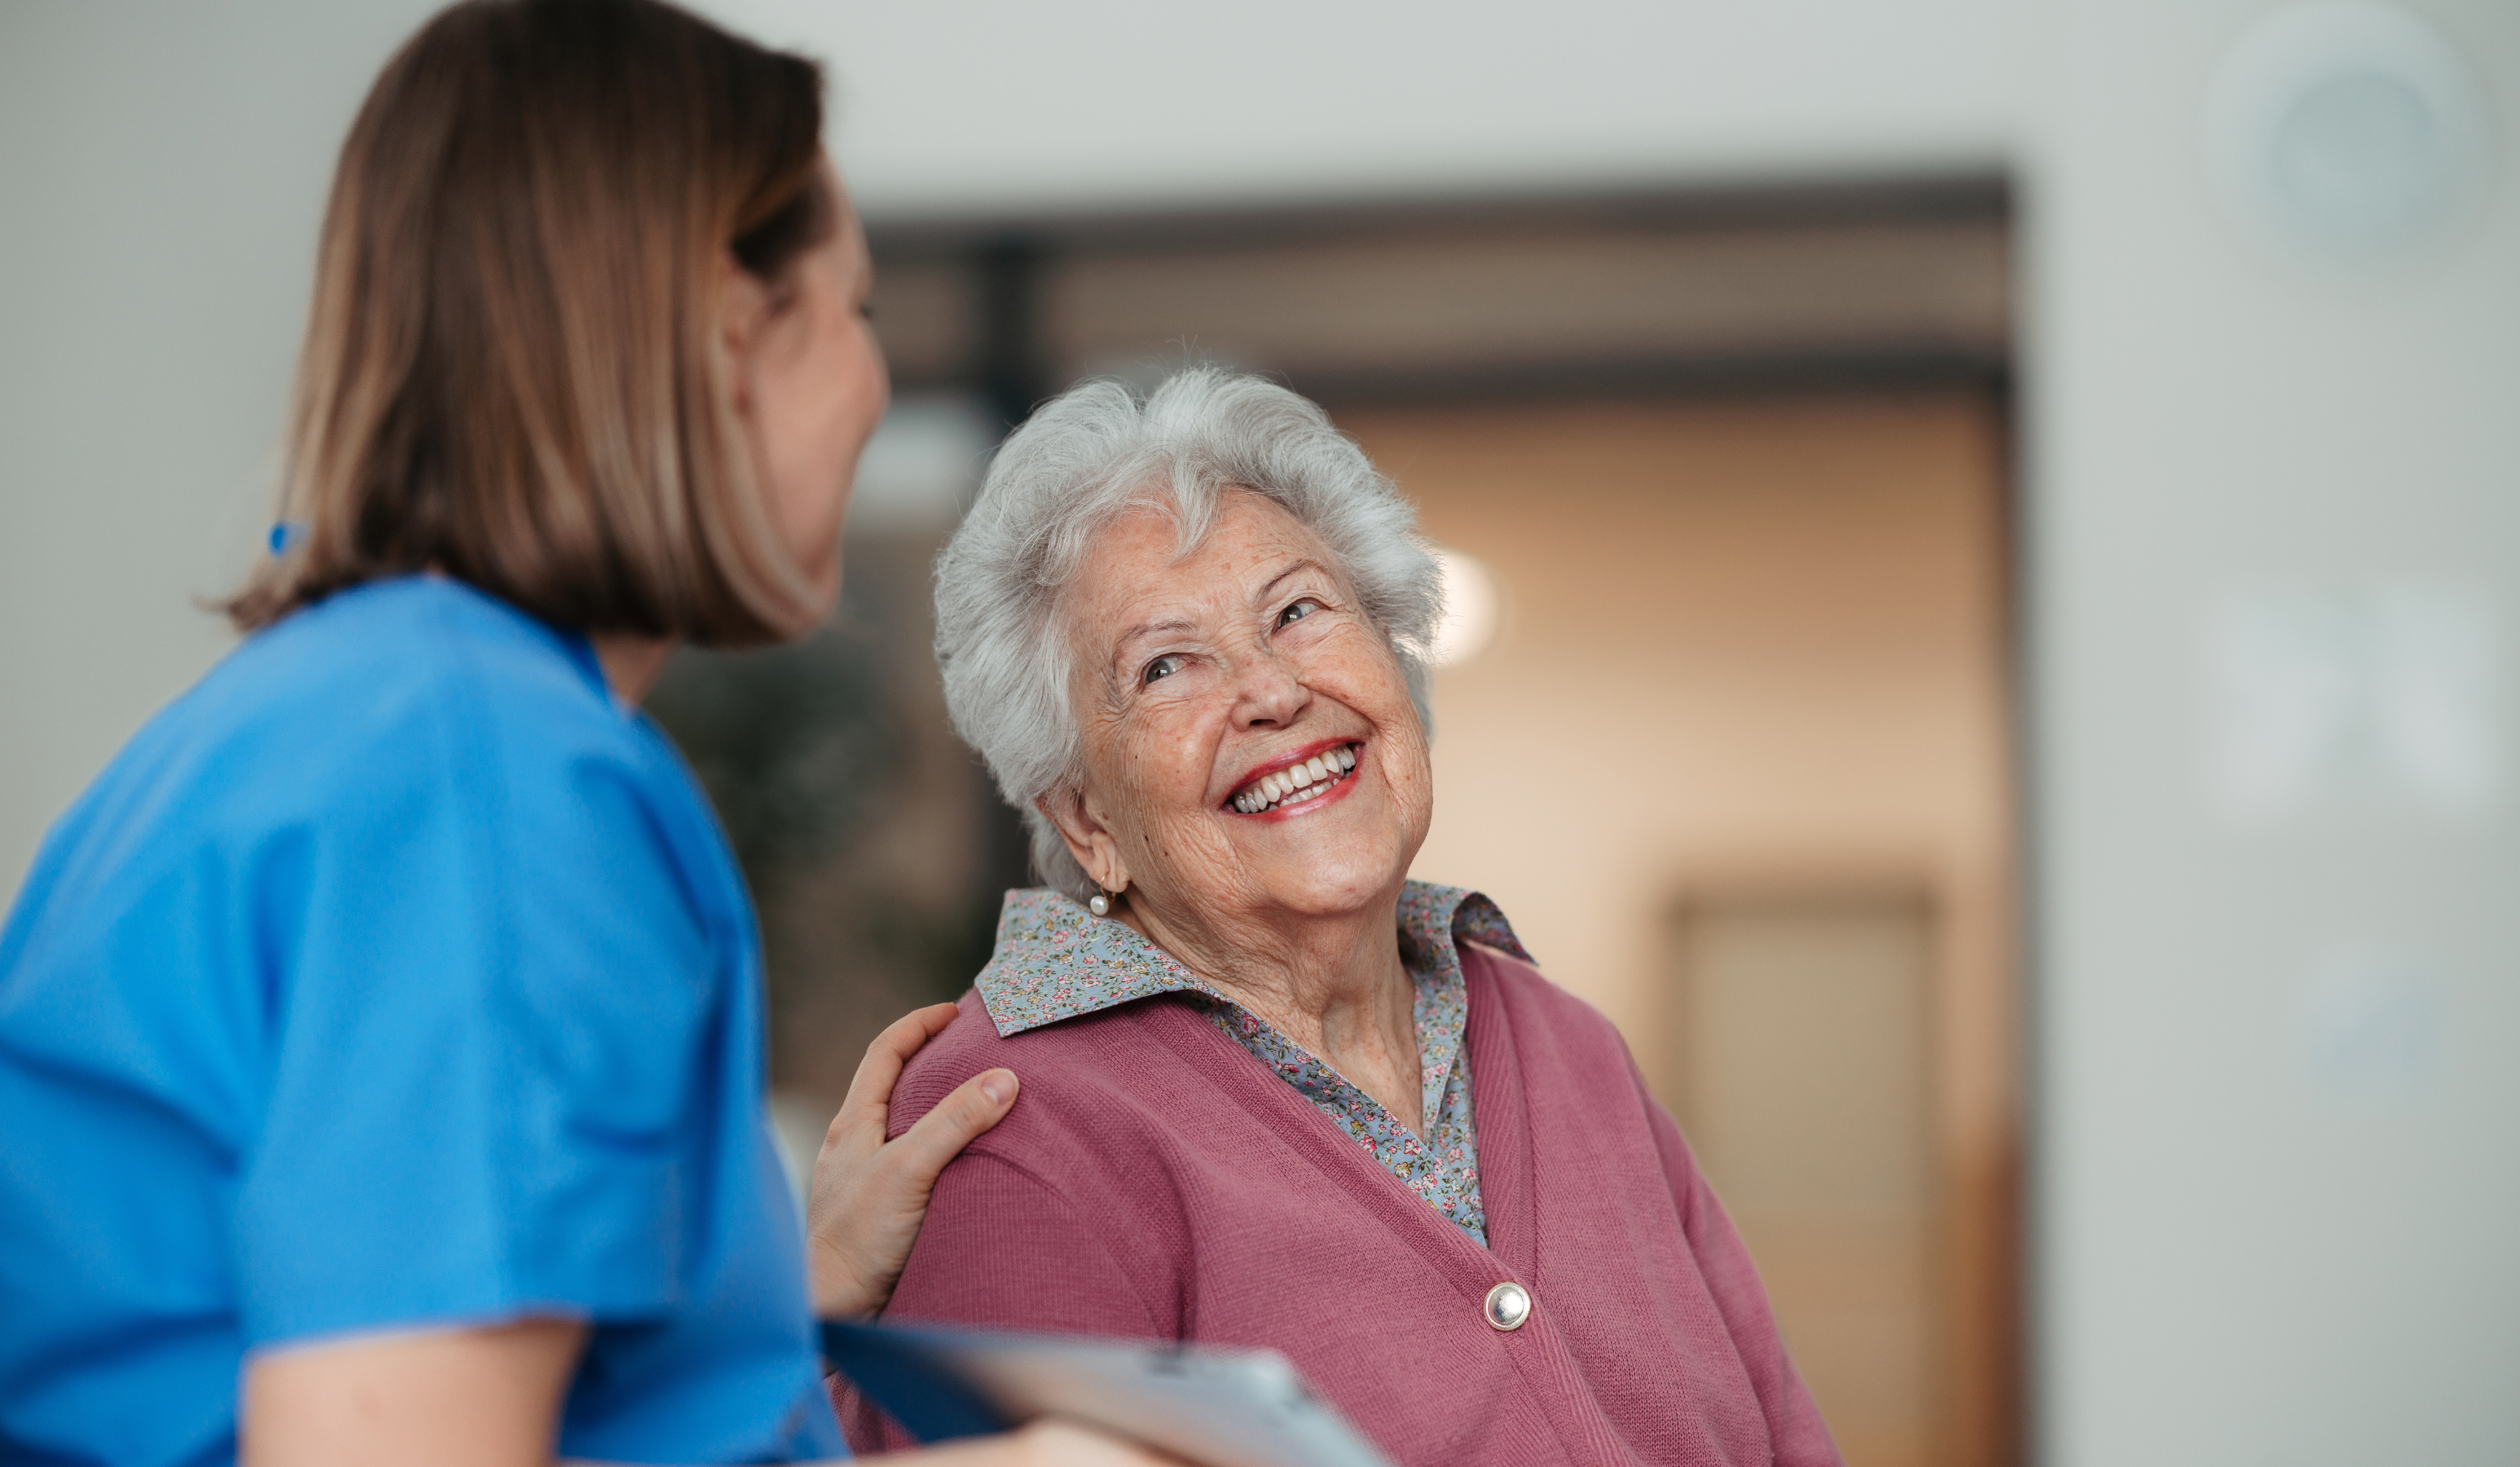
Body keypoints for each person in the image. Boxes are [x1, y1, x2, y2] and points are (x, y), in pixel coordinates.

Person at [0, 2, 1155, 1464]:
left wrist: (759, 1309)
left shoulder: (319, 718)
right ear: (733, 338)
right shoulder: (488, 785)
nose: (871, 386)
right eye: (855, 312)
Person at [834, 368, 1845, 1465]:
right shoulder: (1008, 1123)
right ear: (1086, 818)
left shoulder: (1568, 1046)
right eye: (1165, 666)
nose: (1271, 691)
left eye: (1298, 611)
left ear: (1396, 662)